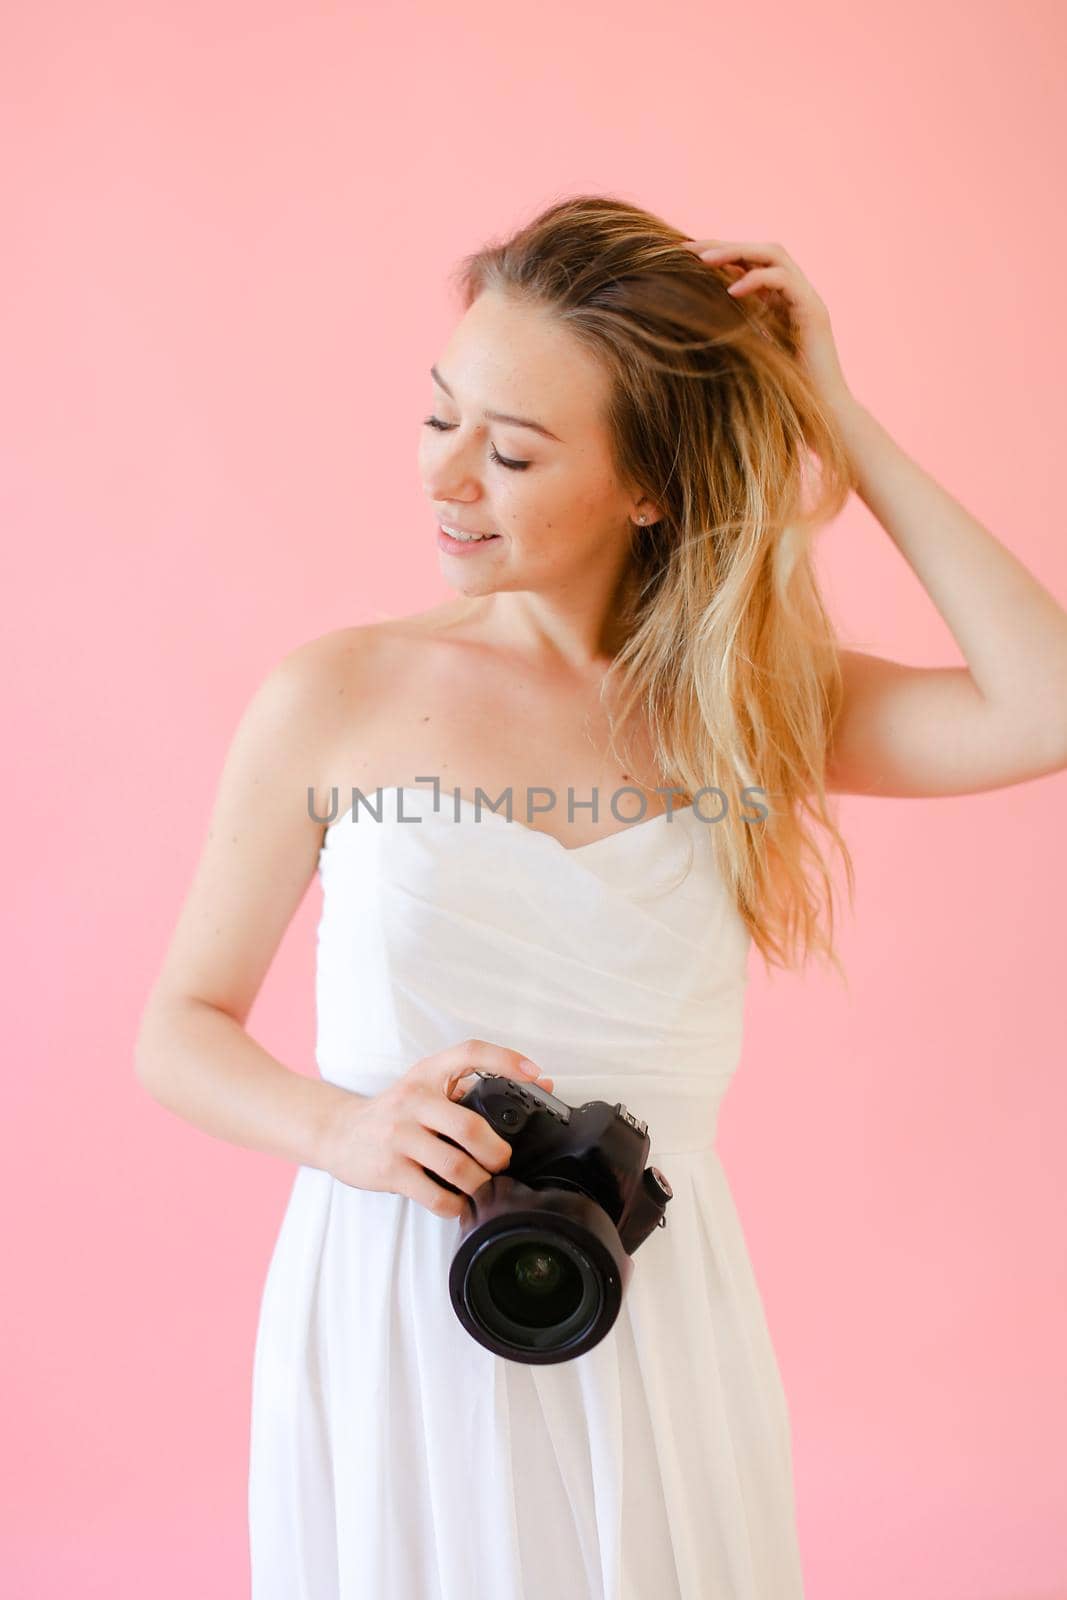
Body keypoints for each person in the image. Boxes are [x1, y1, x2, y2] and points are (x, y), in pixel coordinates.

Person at [134, 195, 1067, 1600]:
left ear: (649, 487)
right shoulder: (337, 696)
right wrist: (346, 1130)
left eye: (510, 451)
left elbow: (1043, 704)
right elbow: (178, 1028)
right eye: (440, 416)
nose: (449, 479)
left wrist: (839, 418)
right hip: (395, 1304)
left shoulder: (748, 707)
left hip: (654, 1315)